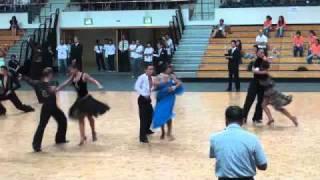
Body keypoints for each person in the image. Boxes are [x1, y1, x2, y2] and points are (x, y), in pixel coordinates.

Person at [210, 106, 268, 180]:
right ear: (243, 121)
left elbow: (218, 156)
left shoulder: (214, 138)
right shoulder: (253, 138)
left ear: (226, 120)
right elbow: (263, 166)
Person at [57, 64, 109, 145]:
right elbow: (65, 84)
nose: (70, 72)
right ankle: (82, 137)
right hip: (79, 101)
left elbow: (93, 80)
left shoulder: (84, 75)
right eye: (69, 70)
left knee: (89, 117)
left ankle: (93, 132)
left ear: (76, 69)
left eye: (71, 70)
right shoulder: (72, 78)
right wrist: (57, 89)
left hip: (87, 99)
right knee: (80, 119)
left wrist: (99, 85)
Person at [22, 67, 68, 152]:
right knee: (44, 125)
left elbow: (29, 80)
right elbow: (54, 89)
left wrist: (22, 77)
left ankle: (59, 139)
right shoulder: (52, 83)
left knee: (61, 120)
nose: (53, 75)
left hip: (49, 107)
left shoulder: (37, 83)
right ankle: (36, 145)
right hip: (50, 107)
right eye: (52, 74)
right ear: (49, 74)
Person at [258, 61, 299, 127]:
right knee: (263, 105)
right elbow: (273, 83)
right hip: (268, 92)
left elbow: (266, 82)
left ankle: (292, 118)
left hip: (269, 92)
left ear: (262, 66)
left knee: (278, 108)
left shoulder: (263, 73)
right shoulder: (265, 73)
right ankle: (270, 119)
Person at [152, 65, 183, 141]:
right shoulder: (159, 76)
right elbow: (155, 84)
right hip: (161, 97)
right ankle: (163, 132)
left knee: (168, 114)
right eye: (169, 69)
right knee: (161, 114)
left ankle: (169, 132)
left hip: (169, 97)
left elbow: (179, 83)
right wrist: (162, 82)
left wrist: (173, 87)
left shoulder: (172, 76)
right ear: (165, 69)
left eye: (171, 69)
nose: (170, 70)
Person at [243, 49, 267, 124]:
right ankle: (243, 116)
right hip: (254, 82)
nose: (262, 53)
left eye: (263, 52)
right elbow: (252, 69)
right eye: (260, 52)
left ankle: (257, 118)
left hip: (262, 83)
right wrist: (258, 71)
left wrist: (257, 71)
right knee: (249, 99)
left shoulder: (265, 62)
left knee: (260, 101)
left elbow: (265, 71)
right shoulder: (254, 61)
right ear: (257, 54)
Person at [134, 64, 155, 143]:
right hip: (142, 99)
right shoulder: (141, 77)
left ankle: (147, 130)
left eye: (152, 69)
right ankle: (142, 137)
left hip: (148, 99)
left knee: (150, 115)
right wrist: (144, 94)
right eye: (149, 69)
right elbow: (136, 87)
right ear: (145, 70)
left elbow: (150, 88)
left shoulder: (152, 78)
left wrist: (153, 89)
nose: (151, 71)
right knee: (143, 119)